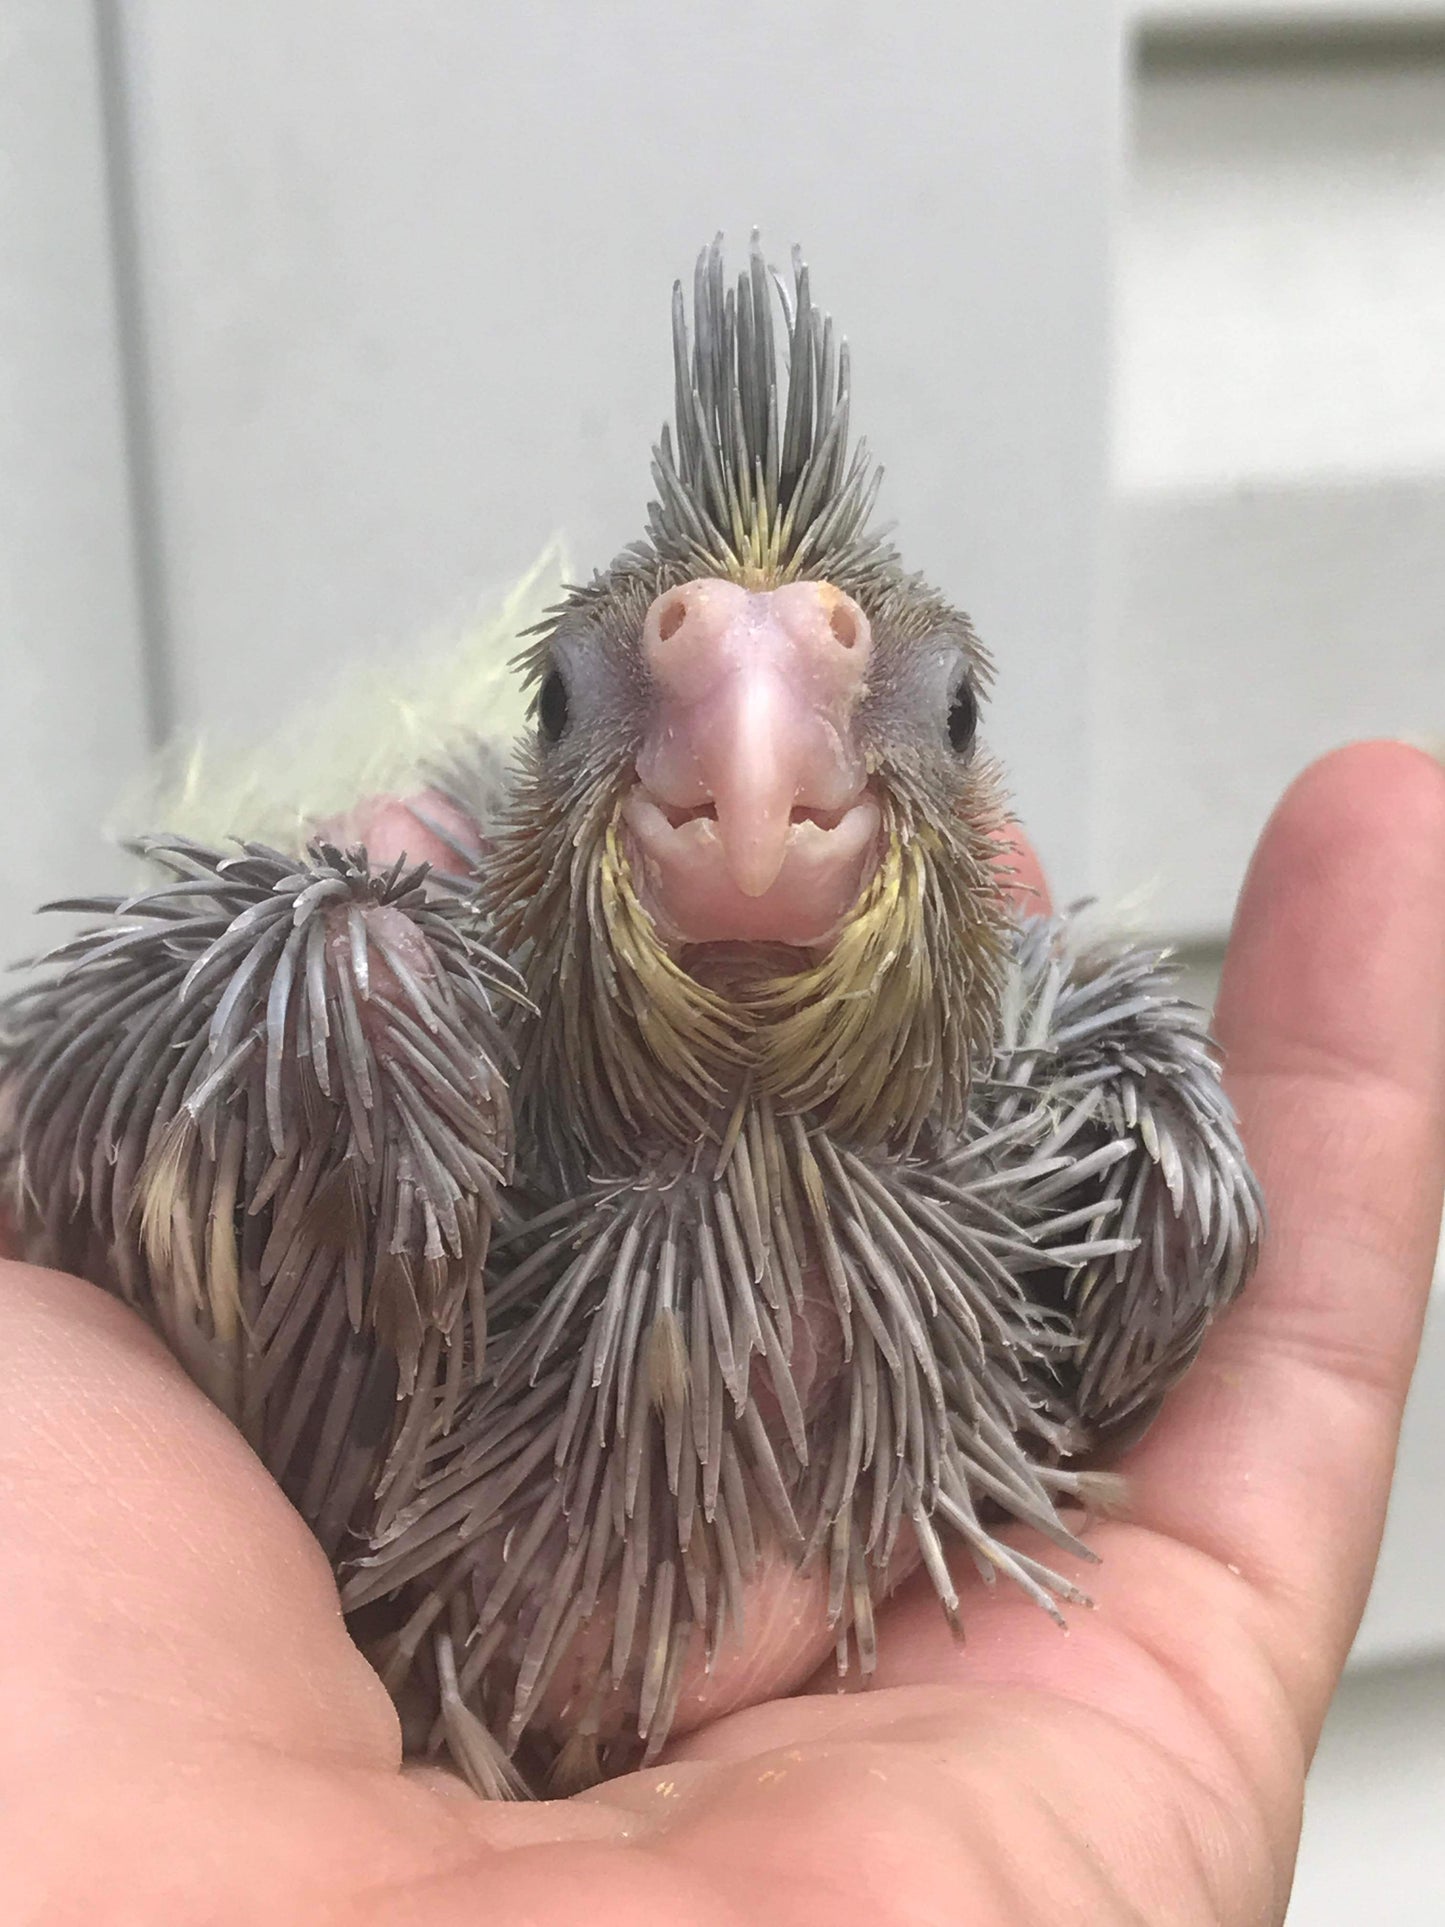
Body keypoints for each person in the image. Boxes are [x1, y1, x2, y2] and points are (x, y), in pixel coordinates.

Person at [3, 740, 1442, 1925]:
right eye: (607, 708)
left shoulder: (1102, 1150)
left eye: (918, 724)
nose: (756, 772)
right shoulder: (371, 1028)